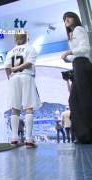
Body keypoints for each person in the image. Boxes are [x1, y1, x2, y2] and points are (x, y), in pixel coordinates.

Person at [4, 32, 41, 148]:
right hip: (26, 77)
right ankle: (29, 139)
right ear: (27, 38)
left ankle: (14, 138)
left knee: (15, 109)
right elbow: (29, 63)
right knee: (28, 108)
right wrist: (17, 69)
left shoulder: (10, 52)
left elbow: (7, 68)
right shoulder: (30, 49)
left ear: (15, 39)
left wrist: (10, 77)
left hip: (13, 79)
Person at [61, 12, 92, 144]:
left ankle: (87, 134)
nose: (66, 20)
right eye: (64, 19)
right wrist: (67, 59)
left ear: (75, 18)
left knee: (84, 100)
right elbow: (78, 53)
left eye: (68, 17)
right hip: (77, 65)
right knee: (74, 100)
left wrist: (68, 52)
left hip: (82, 66)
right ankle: (83, 134)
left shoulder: (79, 29)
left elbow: (85, 48)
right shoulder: (72, 34)